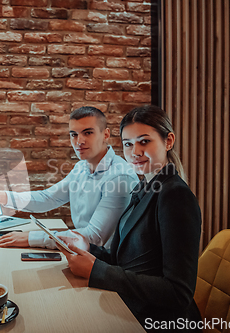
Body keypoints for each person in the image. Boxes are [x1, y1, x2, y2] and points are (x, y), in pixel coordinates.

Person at [58, 105, 202, 332]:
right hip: (128, 307)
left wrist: (97, 271)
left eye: (144, 141)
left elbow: (177, 292)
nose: (135, 152)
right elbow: (130, 260)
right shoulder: (145, 187)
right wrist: (89, 248)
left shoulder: (175, 195)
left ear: (169, 141)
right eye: (127, 144)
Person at [0, 106, 138, 249]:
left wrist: (32, 238)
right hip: (85, 253)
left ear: (106, 134)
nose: (79, 141)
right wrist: (2, 197)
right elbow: (48, 198)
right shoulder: (81, 168)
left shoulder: (119, 177)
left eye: (88, 133)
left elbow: (94, 237)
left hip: (107, 263)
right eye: (74, 135)